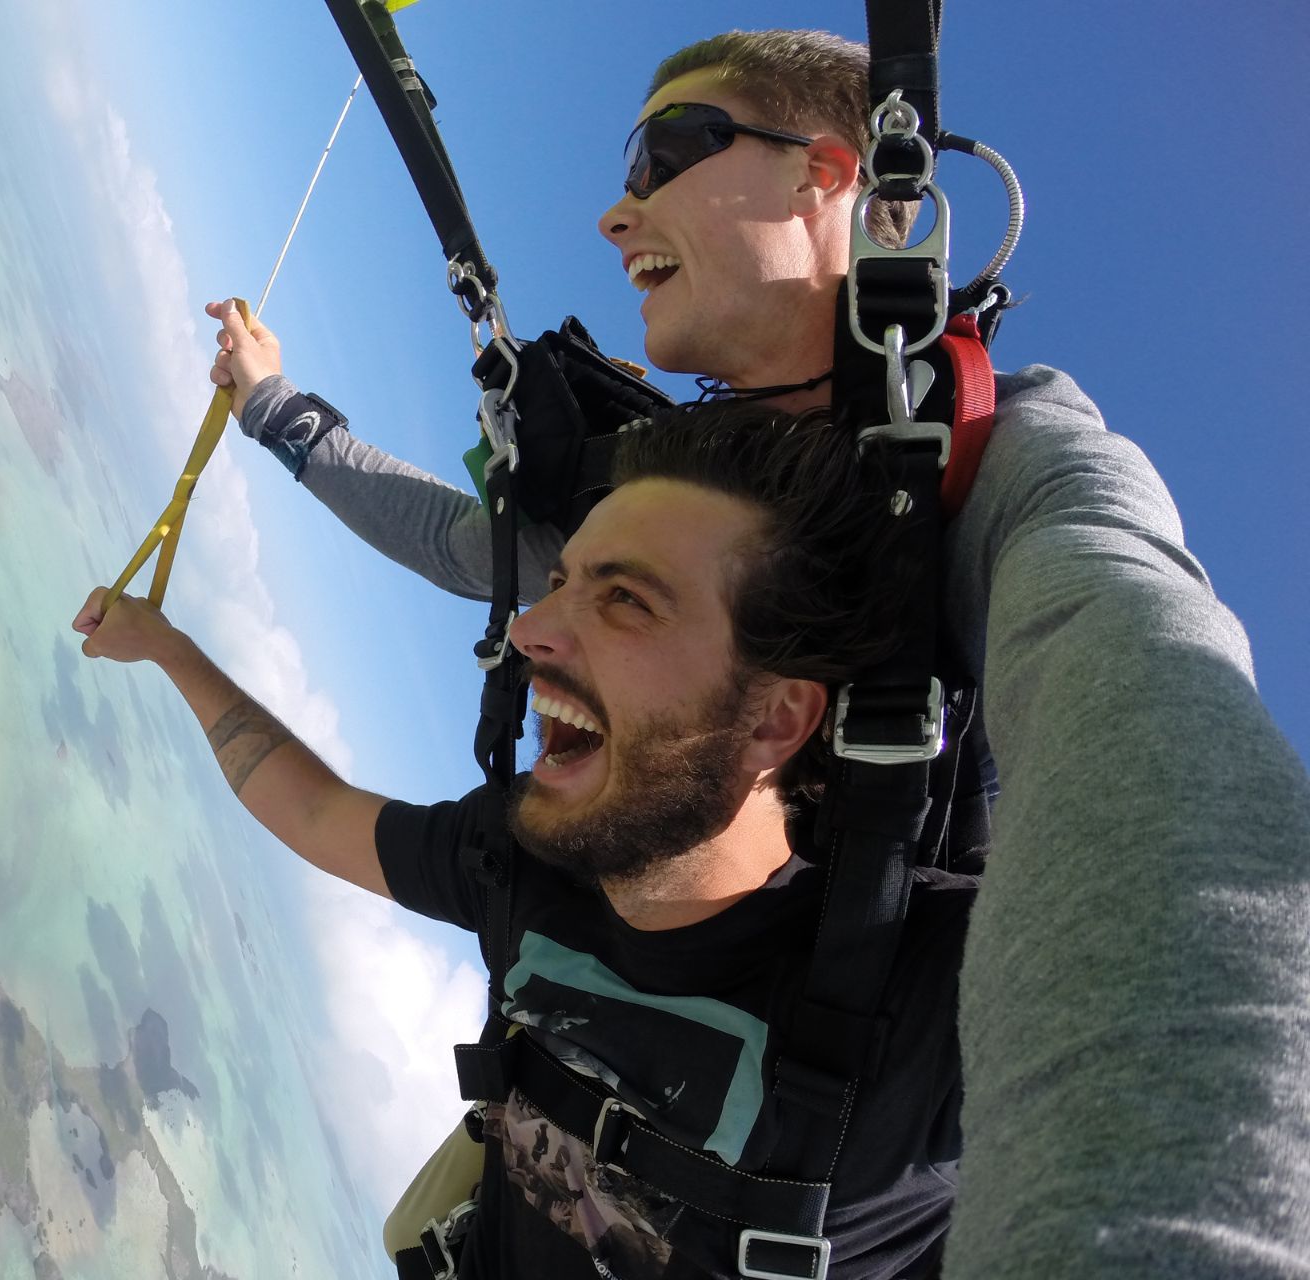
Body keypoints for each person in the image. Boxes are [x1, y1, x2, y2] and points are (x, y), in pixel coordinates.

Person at [203, 28, 1310, 1280]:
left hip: (849, 1136)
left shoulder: (1003, 465)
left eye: (667, 152)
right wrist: (275, 409)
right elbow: (479, 550)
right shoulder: (678, 490)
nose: (619, 214)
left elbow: (1146, 719)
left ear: (828, 175)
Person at [77, 405, 975, 1277]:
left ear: (777, 719)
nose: (527, 633)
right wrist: (167, 649)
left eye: (625, 599)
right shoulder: (529, 857)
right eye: (561, 583)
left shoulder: (935, 1004)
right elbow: (319, 815)